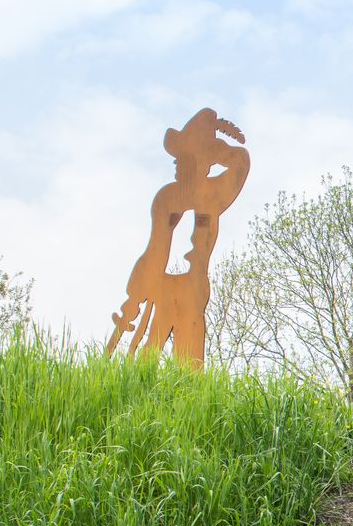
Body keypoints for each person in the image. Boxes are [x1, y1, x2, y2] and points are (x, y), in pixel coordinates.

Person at [107, 108, 250, 365]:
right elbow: (155, 249)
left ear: (202, 160)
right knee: (148, 357)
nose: (176, 164)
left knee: (190, 360)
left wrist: (214, 148)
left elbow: (240, 161)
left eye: (183, 157)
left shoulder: (213, 195)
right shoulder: (168, 198)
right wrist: (135, 295)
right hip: (161, 287)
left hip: (193, 286)